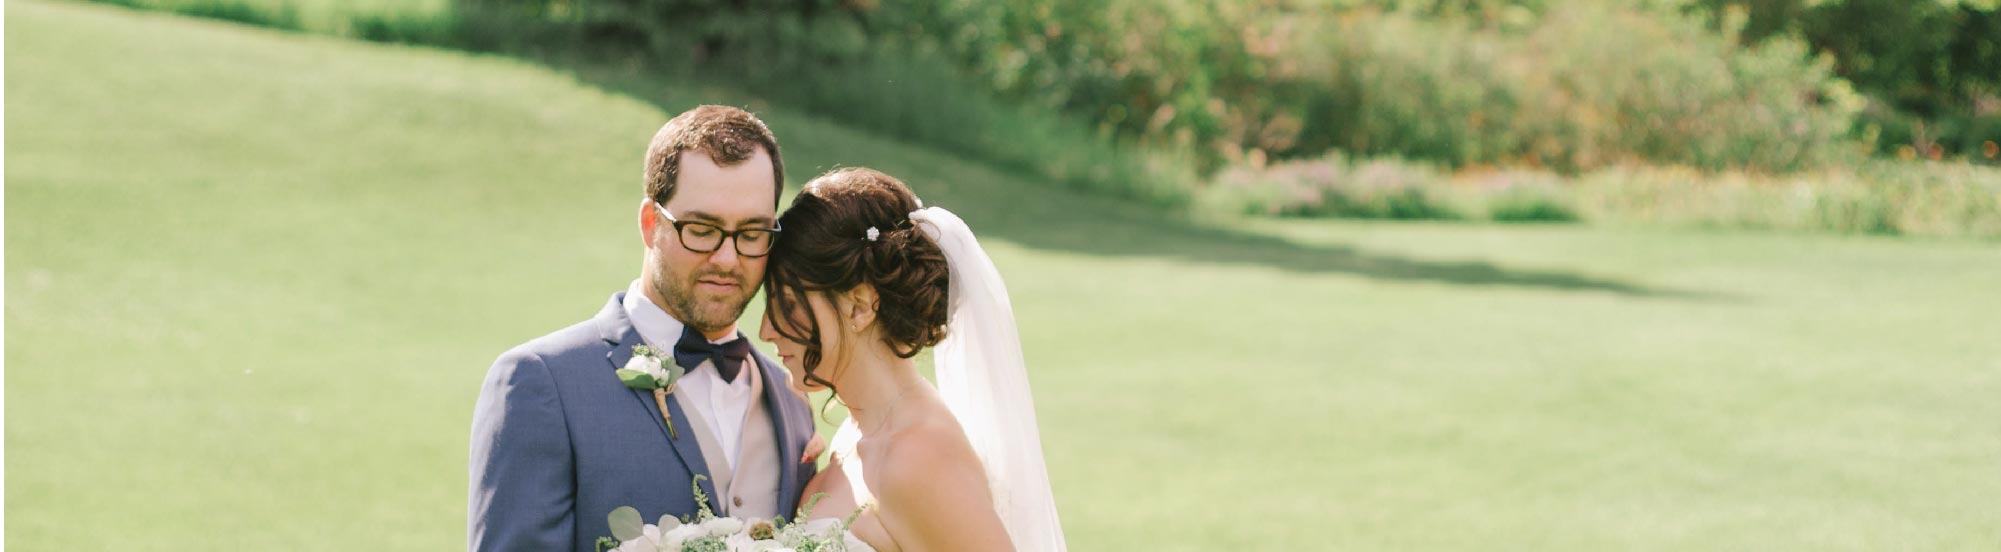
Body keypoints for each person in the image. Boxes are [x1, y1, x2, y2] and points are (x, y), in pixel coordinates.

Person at [468, 105, 818, 552]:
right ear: (651, 224)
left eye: (751, 232)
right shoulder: (541, 382)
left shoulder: (792, 401)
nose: (727, 259)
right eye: (702, 229)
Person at [760, 167, 1067, 551]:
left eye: (788, 304)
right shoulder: (856, 435)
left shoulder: (918, 458)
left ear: (859, 306)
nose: (766, 330)